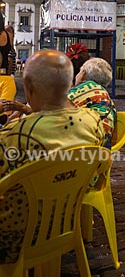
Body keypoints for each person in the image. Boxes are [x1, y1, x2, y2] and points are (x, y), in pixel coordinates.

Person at [0, 49, 105, 264]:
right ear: (70, 84)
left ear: (28, 88)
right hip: (66, 221)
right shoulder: (92, 122)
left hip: (16, 240)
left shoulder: (13, 138)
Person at [0, 15, 16, 99]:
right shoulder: (8, 35)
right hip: (6, 78)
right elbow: (9, 58)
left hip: (5, 79)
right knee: (6, 109)